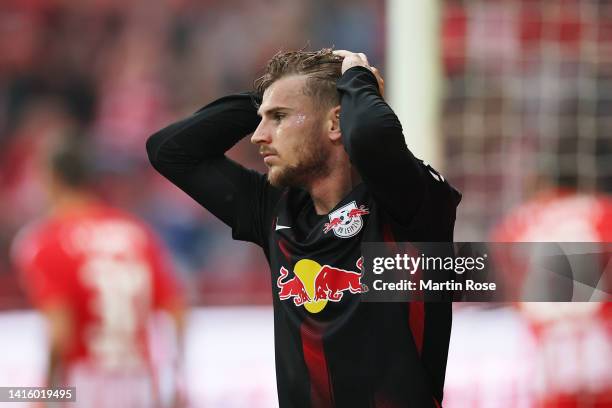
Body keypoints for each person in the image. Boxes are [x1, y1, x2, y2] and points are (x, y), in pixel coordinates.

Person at [147, 48, 461, 407]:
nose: (258, 136)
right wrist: (273, 96)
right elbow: (169, 150)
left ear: (335, 124)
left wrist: (357, 80)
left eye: (279, 117)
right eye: (261, 118)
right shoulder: (273, 209)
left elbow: (372, 135)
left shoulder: (407, 203)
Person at [11, 136, 186, 407]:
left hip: (83, 384)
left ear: (52, 178)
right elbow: (176, 310)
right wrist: (176, 380)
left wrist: (46, 393)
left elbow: (60, 331)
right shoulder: (136, 232)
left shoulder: (44, 239)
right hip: (138, 381)